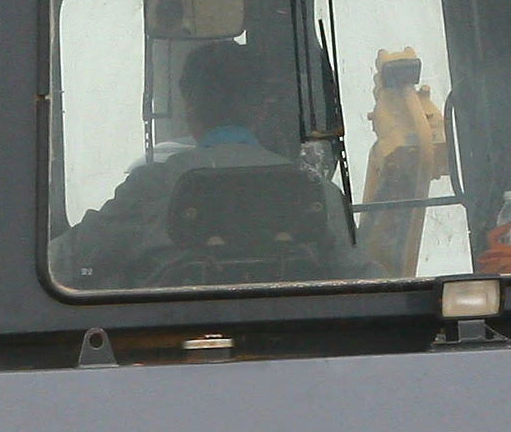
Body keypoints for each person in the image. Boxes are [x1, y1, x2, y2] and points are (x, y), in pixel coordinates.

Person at [57, 39, 361, 288]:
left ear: (190, 110)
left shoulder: (149, 188)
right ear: (259, 110)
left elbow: (67, 262)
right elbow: (362, 280)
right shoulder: (317, 192)